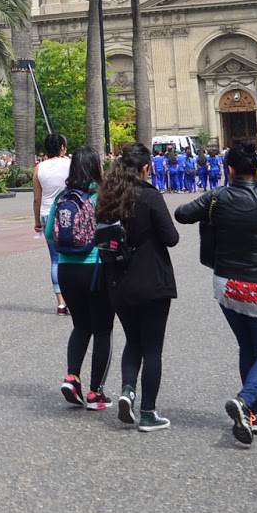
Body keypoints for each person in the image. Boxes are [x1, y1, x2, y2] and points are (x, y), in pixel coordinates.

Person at [176, 141, 257, 445]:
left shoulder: (217, 196)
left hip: (226, 285)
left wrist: (211, 210)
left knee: (247, 347)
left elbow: (182, 214)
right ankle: (245, 399)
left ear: (231, 170)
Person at [98, 143, 179, 432]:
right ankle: (147, 413)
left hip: (119, 280)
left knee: (133, 341)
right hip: (152, 280)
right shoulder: (149, 196)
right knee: (153, 348)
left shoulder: (107, 198)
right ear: (145, 168)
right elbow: (171, 238)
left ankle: (127, 391)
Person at [53, 147, 114, 412]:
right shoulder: (102, 195)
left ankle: (72, 377)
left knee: (80, 326)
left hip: (66, 269)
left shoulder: (62, 196)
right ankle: (95, 393)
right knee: (102, 330)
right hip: (95, 269)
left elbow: (49, 233)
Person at [32, 133, 71, 315]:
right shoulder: (70, 164)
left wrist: (37, 221)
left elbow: (37, 199)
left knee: (55, 259)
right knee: (71, 257)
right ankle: (74, 297)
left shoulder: (39, 168)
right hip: (69, 212)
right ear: (62, 147)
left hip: (47, 213)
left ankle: (61, 303)